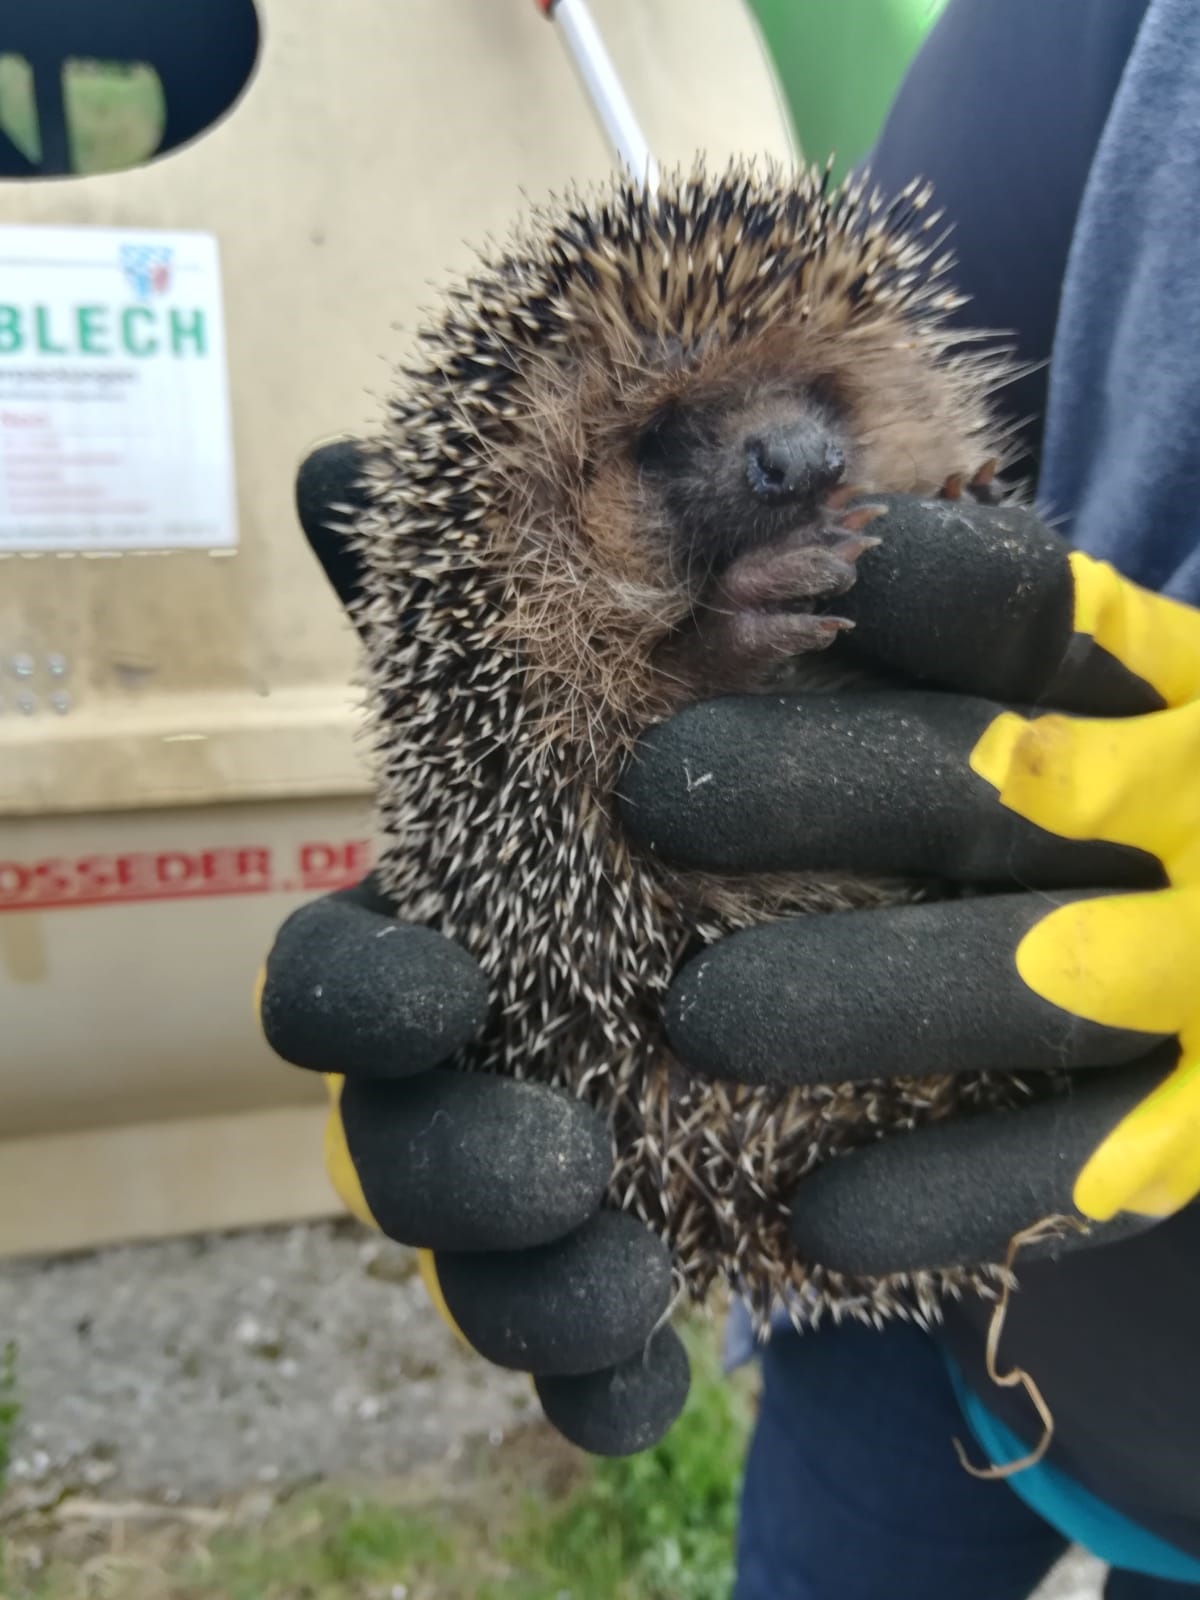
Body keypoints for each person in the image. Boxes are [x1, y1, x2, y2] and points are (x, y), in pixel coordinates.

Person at [258, 0, 1200, 1593]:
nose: (779, 457)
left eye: (805, 408)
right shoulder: (1112, 30)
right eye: (668, 439)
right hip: (897, 1247)